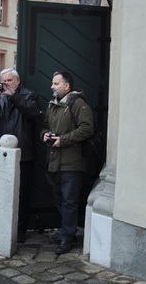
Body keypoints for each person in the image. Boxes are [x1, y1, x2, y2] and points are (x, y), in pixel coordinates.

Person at [0, 68, 39, 242]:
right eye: (3, 82)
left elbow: (32, 114)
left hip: (23, 152)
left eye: (9, 81)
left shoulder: (29, 95)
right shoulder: (1, 97)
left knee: (22, 193)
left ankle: (20, 231)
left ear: (17, 81)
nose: (5, 85)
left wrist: (14, 97)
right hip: (1, 152)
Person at [41, 71, 94, 254]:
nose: (52, 86)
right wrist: (44, 134)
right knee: (59, 199)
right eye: (52, 83)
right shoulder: (52, 105)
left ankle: (67, 238)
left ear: (67, 86)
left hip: (72, 163)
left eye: (56, 83)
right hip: (54, 162)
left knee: (69, 202)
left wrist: (63, 140)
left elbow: (87, 129)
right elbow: (45, 125)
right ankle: (67, 231)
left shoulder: (78, 103)